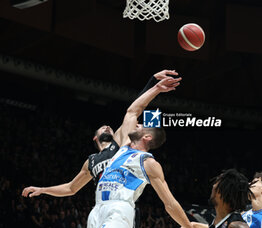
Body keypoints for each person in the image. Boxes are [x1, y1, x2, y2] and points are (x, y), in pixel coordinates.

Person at [21, 69, 178, 197]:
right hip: (103, 206)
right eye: (103, 128)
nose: (107, 127)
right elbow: (71, 188)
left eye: (109, 127)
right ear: (95, 137)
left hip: (123, 204)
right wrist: (43, 190)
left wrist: (152, 82)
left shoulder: (120, 144)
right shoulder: (91, 161)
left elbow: (133, 111)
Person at [88, 75, 194, 228]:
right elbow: (132, 112)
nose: (137, 124)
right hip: (97, 209)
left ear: (147, 137)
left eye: (142, 125)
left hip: (119, 210)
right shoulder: (124, 146)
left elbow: (170, 203)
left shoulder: (148, 163)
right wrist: (156, 88)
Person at [181, 169, 252, 228]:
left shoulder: (236, 226)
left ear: (221, 192)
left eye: (216, 183)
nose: (213, 186)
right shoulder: (218, 222)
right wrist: (193, 226)